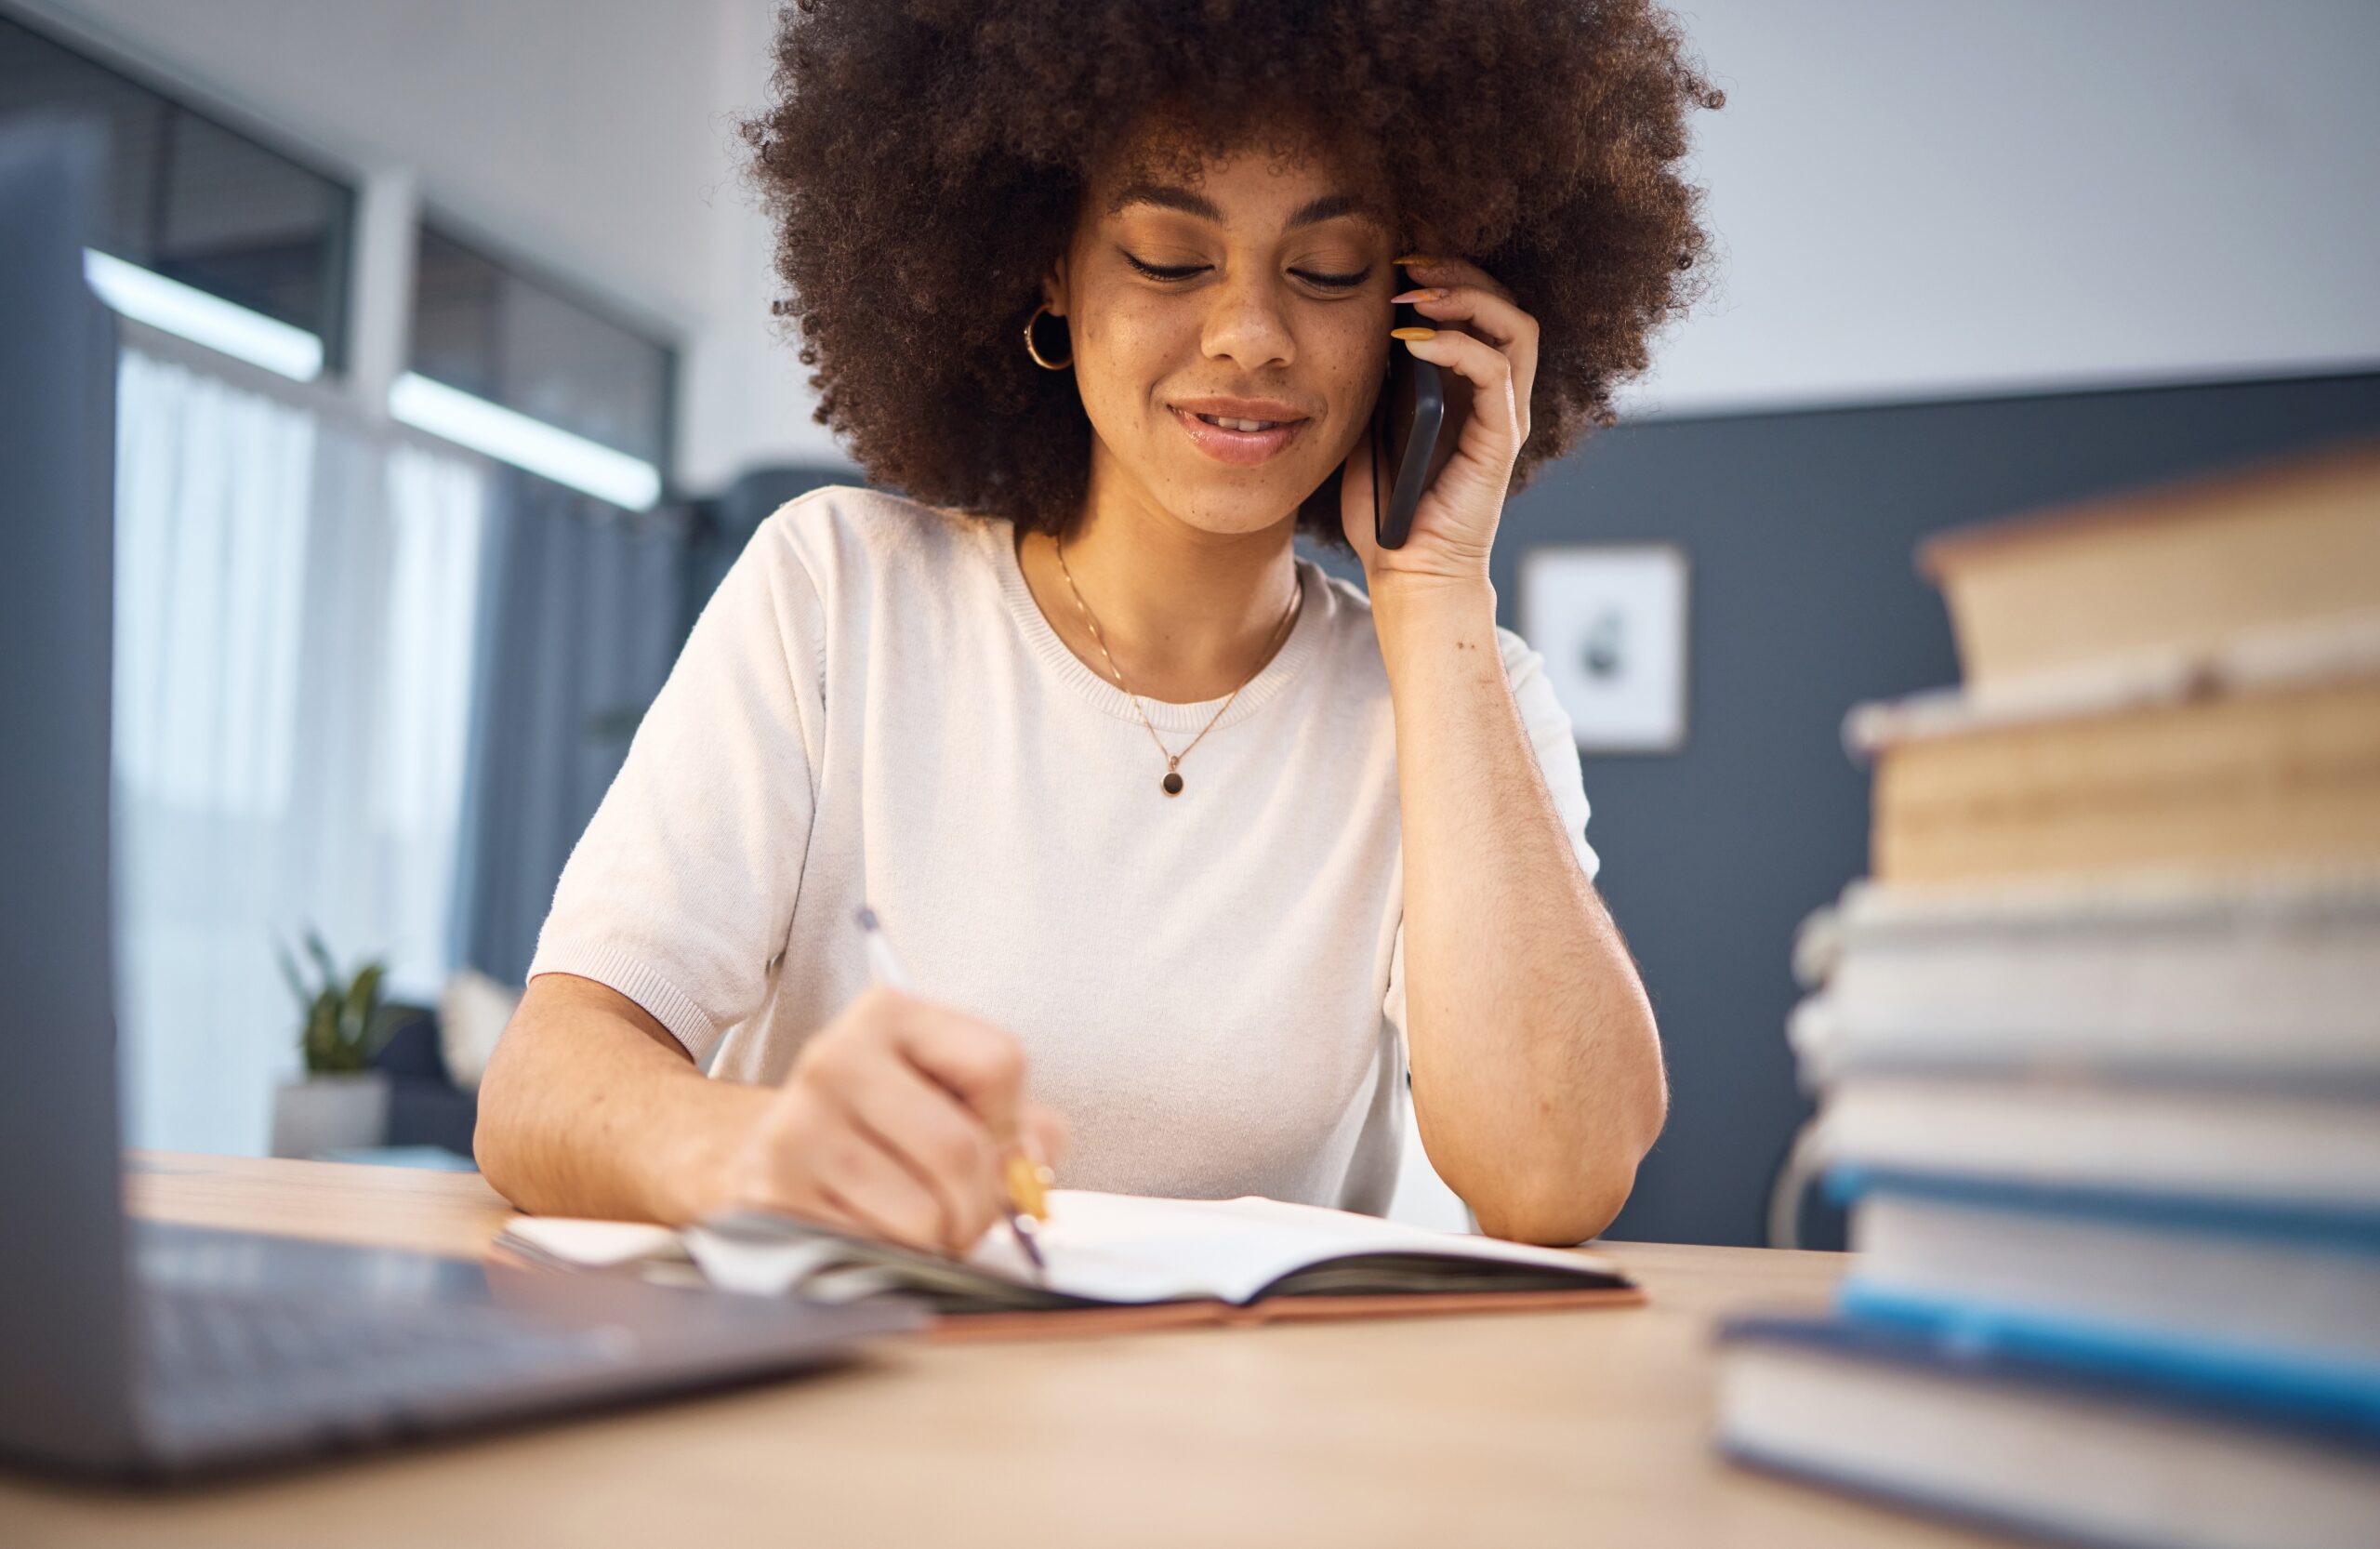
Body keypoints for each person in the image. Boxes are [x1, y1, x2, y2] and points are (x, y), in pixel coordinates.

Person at [473, 0, 1724, 1251]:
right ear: (1051, 271)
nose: (1249, 334)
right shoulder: (837, 593)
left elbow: (1555, 1173)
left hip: (1243, 1435)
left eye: (1329, 272)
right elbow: (541, 1085)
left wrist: (1438, 589)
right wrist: (760, 1150)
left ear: (1416, 308)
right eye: (1172, 259)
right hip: (855, 1405)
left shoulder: (1464, 692)